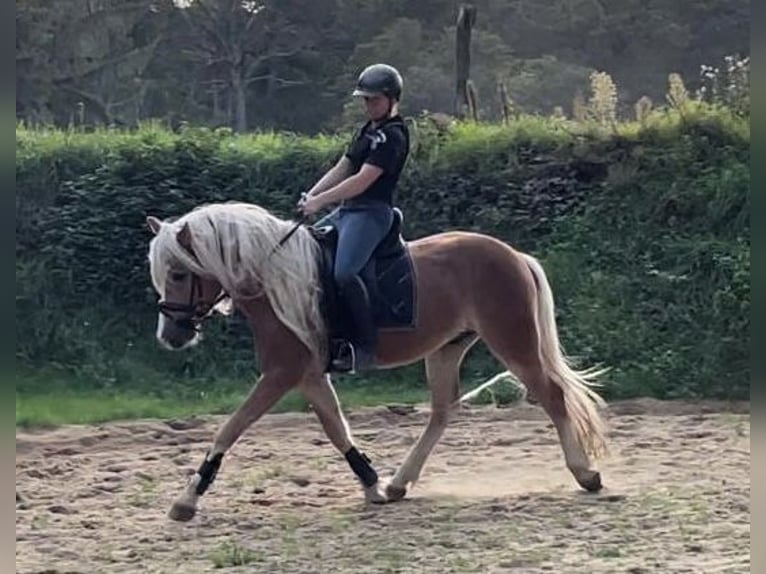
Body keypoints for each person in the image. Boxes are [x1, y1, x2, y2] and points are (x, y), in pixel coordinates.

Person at [299, 63, 410, 373]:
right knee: (307, 253)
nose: (368, 105)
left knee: (345, 272)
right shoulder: (367, 131)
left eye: (374, 99)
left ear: (392, 99)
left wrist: (320, 201)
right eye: (365, 99)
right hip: (348, 212)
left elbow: (362, 180)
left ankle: (363, 345)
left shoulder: (393, 135)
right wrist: (311, 194)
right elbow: (345, 166)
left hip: (372, 214)